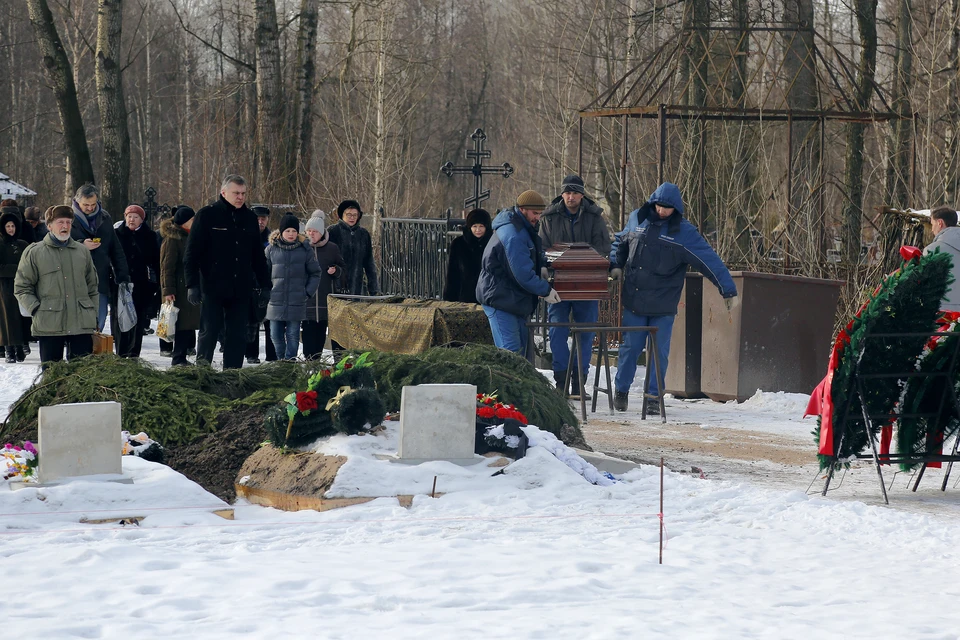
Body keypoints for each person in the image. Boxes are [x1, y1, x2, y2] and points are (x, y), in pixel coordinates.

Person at [610, 182, 737, 413]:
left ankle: (653, 397)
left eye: (667, 208)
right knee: (630, 348)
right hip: (635, 299)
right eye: (659, 206)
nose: (662, 211)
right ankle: (621, 391)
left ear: (675, 209)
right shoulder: (636, 219)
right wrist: (615, 264)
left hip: (664, 304)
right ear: (652, 202)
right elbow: (620, 242)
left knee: (659, 352)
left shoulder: (683, 232)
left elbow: (709, 260)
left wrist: (727, 288)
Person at [184, 175, 270, 369]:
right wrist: (192, 285)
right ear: (224, 193)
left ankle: (232, 374)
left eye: (243, 193)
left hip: (240, 287)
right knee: (209, 332)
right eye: (236, 193)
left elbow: (258, 256)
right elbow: (191, 253)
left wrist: (265, 285)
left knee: (237, 334)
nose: (240, 197)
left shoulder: (249, 218)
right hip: (213, 285)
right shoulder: (207, 215)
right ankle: (203, 371)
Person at [538, 174, 612, 392]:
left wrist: (583, 259)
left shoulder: (594, 217)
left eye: (575, 193)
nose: (571, 197)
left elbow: (603, 247)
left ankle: (579, 382)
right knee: (557, 332)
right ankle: (561, 381)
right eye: (567, 192)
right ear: (562, 194)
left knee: (586, 333)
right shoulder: (549, 217)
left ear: (582, 195)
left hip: (588, 282)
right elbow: (542, 247)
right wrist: (548, 265)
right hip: (558, 283)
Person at [476, 190, 561, 355]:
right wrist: (545, 290)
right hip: (500, 300)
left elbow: (527, 258)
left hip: (510, 299)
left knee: (520, 355)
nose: (538, 217)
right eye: (534, 213)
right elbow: (522, 273)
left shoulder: (520, 227)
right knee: (511, 355)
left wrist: (541, 266)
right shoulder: (513, 234)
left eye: (540, 213)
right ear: (522, 209)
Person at [14, 205, 99, 366]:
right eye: (60, 222)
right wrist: (36, 309)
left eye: (68, 222)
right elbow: (21, 287)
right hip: (49, 323)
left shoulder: (82, 251)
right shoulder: (35, 252)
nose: (65, 226)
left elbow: (92, 287)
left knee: (81, 377)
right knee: (52, 377)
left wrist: (92, 312)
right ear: (49, 225)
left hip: (81, 324)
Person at [71, 184, 130, 332]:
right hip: (75, 279)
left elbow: (115, 248)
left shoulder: (105, 217)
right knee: (78, 322)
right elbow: (59, 243)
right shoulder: (68, 218)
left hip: (100, 277)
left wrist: (122, 273)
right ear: (77, 202)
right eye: (86, 205)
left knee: (99, 319)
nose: (90, 208)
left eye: (93, 204)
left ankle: (94, 351)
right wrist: (81, 244)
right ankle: (80, 352)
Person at [264, 214, 320, 360]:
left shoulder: (305, 249)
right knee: (275, 334)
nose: (291, 234)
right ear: (281, 231)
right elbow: (263, 272)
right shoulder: (271, 249)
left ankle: (290, 361)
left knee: (293, 335)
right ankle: (281, 360)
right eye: (288, 231)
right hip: (275, 299)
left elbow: (315, 273)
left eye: (294, 231)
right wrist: (265, 291)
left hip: (297, 299)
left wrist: (307, 292)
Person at [113, 205, 160, 358]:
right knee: (120, 317)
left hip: (141, 284)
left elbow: (155, 260)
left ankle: (134, 351)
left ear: (142, 219)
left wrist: (154, 284)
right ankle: (121, 350)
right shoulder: (117, 235)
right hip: (120, 283)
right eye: (129, 216)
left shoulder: (150, 236)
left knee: (138, 318)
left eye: (135, 217)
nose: (131, 219)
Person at [160, 206, 201, 366]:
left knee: (187, 324)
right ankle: (178, 357)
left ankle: (182, 356)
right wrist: (168, 290)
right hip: (177, 289)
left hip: (188, 288)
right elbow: (166, 267)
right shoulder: (173, 239)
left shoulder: (190, 236)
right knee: (180, 325)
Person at [302, 210, 345, 359]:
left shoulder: (332, 248)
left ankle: (318, 363)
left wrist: (336, 271)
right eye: (309, 231)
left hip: (325, 298)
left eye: (315, 231)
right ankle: (310, 363)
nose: (311, 234)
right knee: (308, 334)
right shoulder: (302, 248)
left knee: (321, 332)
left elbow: (342, 269)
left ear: (321, 232)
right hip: (307, 300)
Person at [327, 199, 379, 296]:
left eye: (355, 215)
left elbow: (369, 263)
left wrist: (373, 288)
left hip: (357, 287)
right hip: (335, 287)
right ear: (342, 215)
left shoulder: (363, 234)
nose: (352, 218)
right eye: (349, 215)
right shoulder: (332, 232)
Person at [246, 205, 277, 364]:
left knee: (270, 320)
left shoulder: (272, 239)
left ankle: (272, 355)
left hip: (268, 284)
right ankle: (251, 354)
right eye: (257, 218)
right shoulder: (246, 235)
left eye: (263, 219)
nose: (260, 222)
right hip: (249, 284)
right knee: (251, 321)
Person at [443, 208, 492, 304]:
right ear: (469, 227)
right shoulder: (458, 244)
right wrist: (449, 299)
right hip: (465, 299)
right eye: (474, 226)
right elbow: (453, 274)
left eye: (481, 226)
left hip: (488, 298)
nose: (478, 230)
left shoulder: (493, 243)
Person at [0, 211, 28, 362]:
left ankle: (20, 346)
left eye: (12, 226)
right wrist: (17, 269)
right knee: (7, 318)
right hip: (5, 285)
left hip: (23, 285)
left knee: (21, 316)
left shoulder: (23, 244)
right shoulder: (1, 244)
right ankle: (8, 348)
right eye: (7, 226)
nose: (10, 229)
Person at [924, 207, 960, 311]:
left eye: (932, 224)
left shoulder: (933, 250)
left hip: (942, 312)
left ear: (940, 223)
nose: (931, 229)